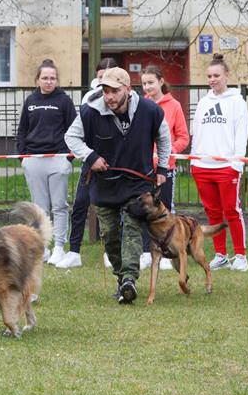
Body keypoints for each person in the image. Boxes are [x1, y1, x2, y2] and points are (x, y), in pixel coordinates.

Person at [65, 67, 171, 304]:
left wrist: (162, 168)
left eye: (115, 91)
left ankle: (130, 279)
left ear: (128, 89)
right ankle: (122, 279)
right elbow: (70, 137)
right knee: (110, 234)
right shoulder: (90, 111)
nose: (110, 96)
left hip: (137, 182)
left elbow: (164, 138)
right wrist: (90, 157)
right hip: (104, 183)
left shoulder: (150, 110)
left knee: (132, 228)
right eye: (106, 91)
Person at [191, 54, 248, 272]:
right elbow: (197, 133)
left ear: (226, 76)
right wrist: (195, 161)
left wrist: (236, 164)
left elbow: (241, 134)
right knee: (213, 212)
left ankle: (240, 256)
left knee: (232, 211)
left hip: (227, 167)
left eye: (216, 75)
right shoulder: (204, 102)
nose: (212, 79)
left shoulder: (237, 102)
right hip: (202, 167)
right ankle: (220, 255)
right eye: (209, 76)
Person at [16, 59, 76, 267]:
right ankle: (42, 246)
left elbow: (74, 129)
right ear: (37, 80)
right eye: (45, 78)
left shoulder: (64, 101)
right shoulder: (30, 100)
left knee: (59, 206)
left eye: (52, 78)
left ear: (57, 80)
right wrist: (23, 156)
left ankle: (59, 247)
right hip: (33, 160)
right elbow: (22, 130)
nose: (49, 81)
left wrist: (68, 157)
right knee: (40, 208)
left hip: (58, 158)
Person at [59, 57, 118, 269]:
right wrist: (90, 157)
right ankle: (74, 251)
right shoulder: (89, 99)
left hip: (114, 162)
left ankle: (111, 252)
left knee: (111, 208)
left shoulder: (123, 99)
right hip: (91, 160)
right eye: (101, 77)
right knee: (80, 204)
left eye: (110, 77)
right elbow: (78, 132)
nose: (105, 82)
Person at [139, 65, 189, 271]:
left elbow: (183, 137)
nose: (147, 87)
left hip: (165, 167)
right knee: (144, 209)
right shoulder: (141, 105)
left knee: (164, 209)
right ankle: (146, 252)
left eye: (151, 82)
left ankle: (166, 251)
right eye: (144, 83)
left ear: (161, 81)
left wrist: (168, 151)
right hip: (144, 168)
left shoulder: (174, 105)